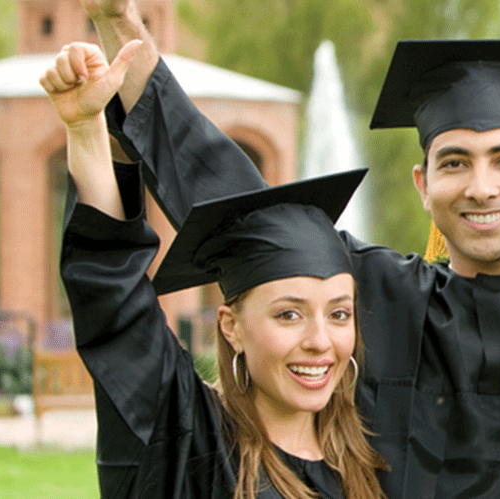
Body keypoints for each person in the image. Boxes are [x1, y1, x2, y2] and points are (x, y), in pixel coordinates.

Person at [80, 0, 500, 496]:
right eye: (455, 161)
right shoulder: (378, 298)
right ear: (422, 184)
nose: (481, 186)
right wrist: (122, 26)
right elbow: (245, 209)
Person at [46, 40, 384, 499]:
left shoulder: (368, 455)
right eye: (289, 314)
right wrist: (85, 128)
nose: (320, 342)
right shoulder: (189, 443)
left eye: (339, 314)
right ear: (232, 328)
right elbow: (112, 298)